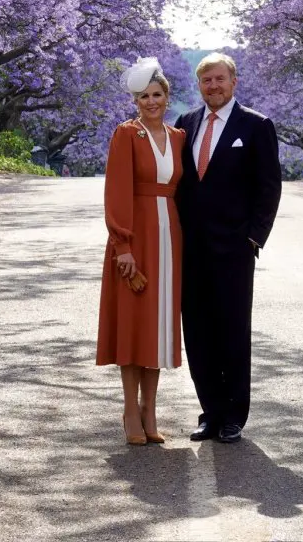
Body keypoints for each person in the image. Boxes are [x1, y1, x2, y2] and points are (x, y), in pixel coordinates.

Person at [175, 52, 282, 444]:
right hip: (190, 248)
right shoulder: (186, 124)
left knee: (232, 332)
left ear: (233, 82)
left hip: (234, 250)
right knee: (198, 333)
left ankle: (234, 415)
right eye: (206, 81)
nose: (213, 86)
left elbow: (269, 186)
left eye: (220, 79)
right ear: (199, 86)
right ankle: (211, 412)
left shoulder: (256, 126)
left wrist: (254, 238)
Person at [97, 57, 187, 446]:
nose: (151, 102)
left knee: (159, 327)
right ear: (135, 101)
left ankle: (151, 410)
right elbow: (116, 191)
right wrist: (123, 245)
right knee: (134, 324)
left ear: (167, 96)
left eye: (157, 94)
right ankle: (130, 410)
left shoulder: (179, 137)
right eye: (144, 96)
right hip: (136, 239)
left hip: (170, 239)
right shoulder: (126, 134)